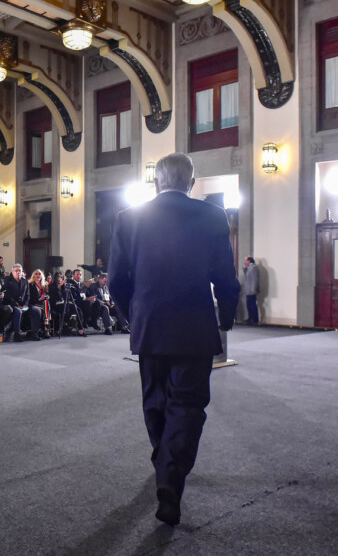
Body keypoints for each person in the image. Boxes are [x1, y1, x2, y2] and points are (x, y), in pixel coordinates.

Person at [108, 152, 240, 527]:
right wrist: (225, 318)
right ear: (191, 183)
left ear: (156, 182)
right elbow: (226, 277)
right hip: (195, 327)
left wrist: (134, 317)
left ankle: (164, 462)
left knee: (155, 402)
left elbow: (116, 280)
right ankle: (170, 473)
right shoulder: (213, 215)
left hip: (149, 327)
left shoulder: (128, 218)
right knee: (188, 405)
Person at [1, 264, 41, 342]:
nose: (18, 272)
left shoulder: (25, 281)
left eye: (20, 270)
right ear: (12, 272)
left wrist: (26, 304)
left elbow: (28, 295)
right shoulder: (8, 281)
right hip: (12, 305)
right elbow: (8, 296)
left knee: (36, 310)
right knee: (18, 311)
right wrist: (17, 305)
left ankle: (34, 333)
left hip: (24, 305)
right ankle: (17, 333)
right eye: (16, 271)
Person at [28, 269, 51, 339]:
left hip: (42, 304)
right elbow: (29, 298)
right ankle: (45, 327)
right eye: (36, 274)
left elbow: (46, 294)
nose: (38, 275)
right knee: (44, 306)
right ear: (33, 276)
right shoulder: (31, 285)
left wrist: (47, 296)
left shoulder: (44, 285)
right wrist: (39, 299)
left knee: (47, 302)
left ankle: (45, 326)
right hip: (34, 303)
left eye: (39, 274)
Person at [243, 256, 260, 325]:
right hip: (248, 290)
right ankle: (250, 318)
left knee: (252, 305)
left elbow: (254, 279)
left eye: (245, 260)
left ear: (249, 261)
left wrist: (253, 289)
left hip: (252, 290)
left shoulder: (253, 268)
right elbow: (246, 276)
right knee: (249, 305)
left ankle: (254, 319)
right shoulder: (249, 268)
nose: (244, 262)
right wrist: (244, 268)